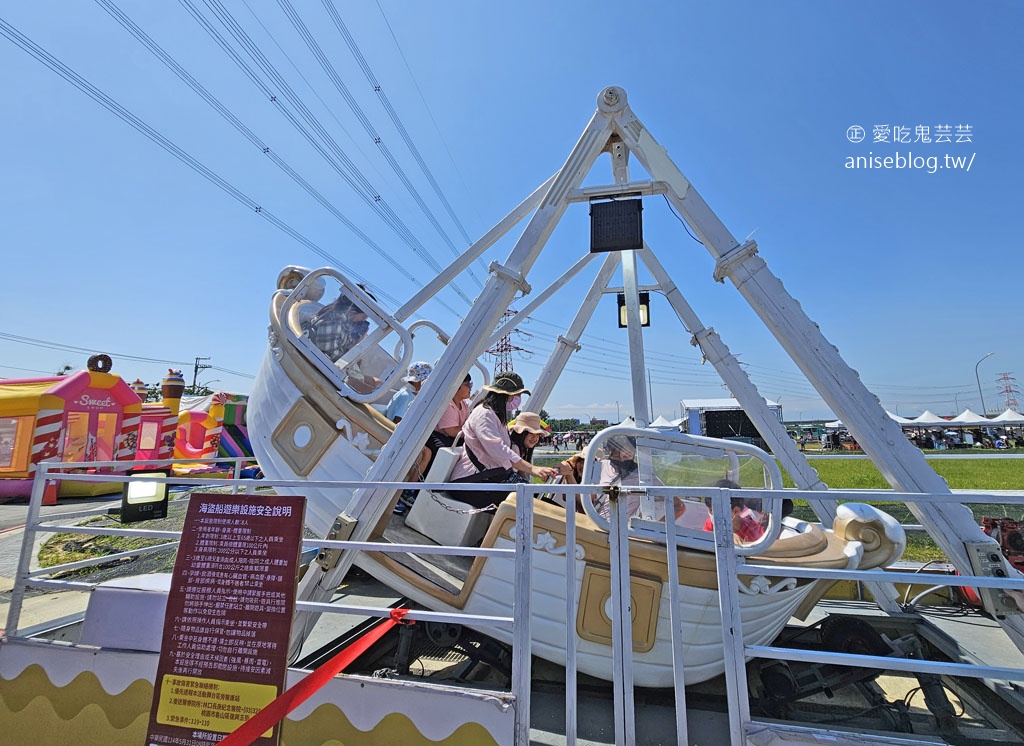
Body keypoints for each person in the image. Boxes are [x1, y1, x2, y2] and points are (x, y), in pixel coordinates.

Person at [446, 372, 557, 508]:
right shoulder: (483, 414)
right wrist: (532, 469)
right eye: (516, 395)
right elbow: (498, 450)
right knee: (537, 506)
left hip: (487, 480)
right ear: (505, 395)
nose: (517, 399)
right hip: (471, 482)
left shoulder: (496, 416)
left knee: (544, 505)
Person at [557, 434, 690, 524]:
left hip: (623, 534)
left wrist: (655, 529)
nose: (625, 454)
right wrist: (569, 475)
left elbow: (678, 506)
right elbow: (586, 501)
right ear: (610, 451)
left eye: (628, 450)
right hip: (597, 527)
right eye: (618, 450)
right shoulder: (600, 466)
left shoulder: (643, 475)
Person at [301, 287, 380, 394]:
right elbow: (331, 356)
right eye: (363, 317)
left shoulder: (343, 323)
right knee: (369, 390)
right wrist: (351, 358)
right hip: (321, 368)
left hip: (329, 366)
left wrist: (357, 342)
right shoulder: (334, 322)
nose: (362, 321)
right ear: (353, 311)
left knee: (376, 383)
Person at [702, 478, 766, 543]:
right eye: (710, 509)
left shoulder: (754, 532)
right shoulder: (710, 524)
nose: (710, 513)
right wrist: (726, 537)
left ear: (735, 511)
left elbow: (762, 545)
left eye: (715, 510)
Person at [507, 412, 547, 482]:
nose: (534, 438)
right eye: (531, 433)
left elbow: (520, 472)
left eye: (538, 434)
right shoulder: (514, 448)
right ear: (521, 434)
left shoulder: (521, 448)